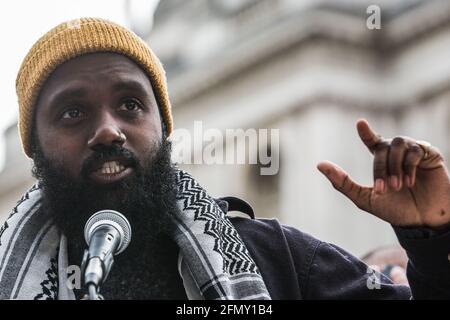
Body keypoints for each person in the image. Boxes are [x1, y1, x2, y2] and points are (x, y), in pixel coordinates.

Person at [0, 17, 449, 300]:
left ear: (163, 128)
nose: (108, 130)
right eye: (72, 112)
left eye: (130, 105)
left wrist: (433, 238)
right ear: (35, 149)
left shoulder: (275, 259)